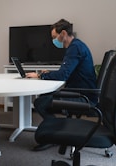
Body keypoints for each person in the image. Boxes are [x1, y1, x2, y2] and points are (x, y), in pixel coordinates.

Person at [26, 19, 98, 151]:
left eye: (54, 37)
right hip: (83, 92)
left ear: (63, 33)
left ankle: (53, 135)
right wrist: (49, 73)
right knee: (44, 96)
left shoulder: (74, 48)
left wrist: (40, 75)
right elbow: (65, 72)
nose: (54, 41)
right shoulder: (77, 45)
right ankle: (57, 129)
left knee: (40, 103)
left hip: (82, 97)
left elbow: (63, 75)